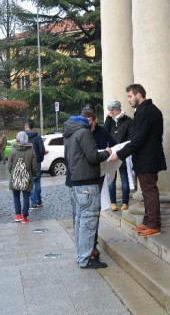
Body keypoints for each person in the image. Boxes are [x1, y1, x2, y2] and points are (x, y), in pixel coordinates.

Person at [110, 84, 167, 238]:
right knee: (147, 191)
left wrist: (119, 154)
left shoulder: (146, 111)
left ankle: (154, 224)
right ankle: (148, 221)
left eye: (130, 96)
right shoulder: (146, 110)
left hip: (148, 158)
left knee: (149, 191)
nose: (128, 100)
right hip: (146, 158)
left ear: (138, 95)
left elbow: (138, 139)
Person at [63, 114, 111, 269]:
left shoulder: (70, 134)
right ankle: (86, 259)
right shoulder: (83, 133)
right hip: (87, 183)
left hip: (76, 183)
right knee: (88, 223)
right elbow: (92, 156)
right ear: (88, 123)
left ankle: (80, 256)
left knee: (79, 221)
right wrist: (107, 153)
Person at [104, 100, 133, 211]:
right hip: (111, 153)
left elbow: (131, 137)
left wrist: (122, 149)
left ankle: (125, 202)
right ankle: (113, 202)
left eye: (112, 110)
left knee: (124, 178)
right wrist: (108, 119)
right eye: (109, 111)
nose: (111, 112)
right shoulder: (110, 120)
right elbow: (105, 132)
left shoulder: (128, 121)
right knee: (111, 179)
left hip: (122, 153)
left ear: (117, 109)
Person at [8, 131, 37, 223]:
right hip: (27, 177)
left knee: (16, 196)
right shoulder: (31, 150)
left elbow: (9, 164)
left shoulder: (13, 149)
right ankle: (25, 217)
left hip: (15, 176)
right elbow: (34, 166)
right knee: (26, 197)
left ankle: (18, 215)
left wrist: (12, 172)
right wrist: (32, 174)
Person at [25, 120, 45, 209]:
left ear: (26, 126)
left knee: (30, 181)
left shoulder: (23, 136)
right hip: (36, 161)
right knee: (37, 181)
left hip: (26, 161)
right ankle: (38, 200)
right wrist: (40, 159)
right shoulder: (37, 136)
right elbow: (42, 149)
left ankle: (33, 201)